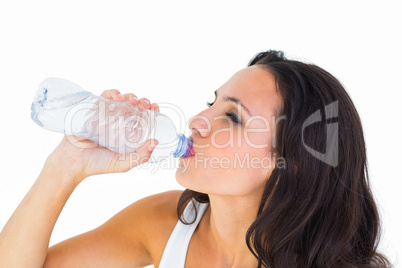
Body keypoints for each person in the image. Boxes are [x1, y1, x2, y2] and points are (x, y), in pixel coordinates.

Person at [0, 50, 390, 267]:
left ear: (294, 162)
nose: (198, 121)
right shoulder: (167, 221)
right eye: (212, 102)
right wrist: (67, 163)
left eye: (233, 117)